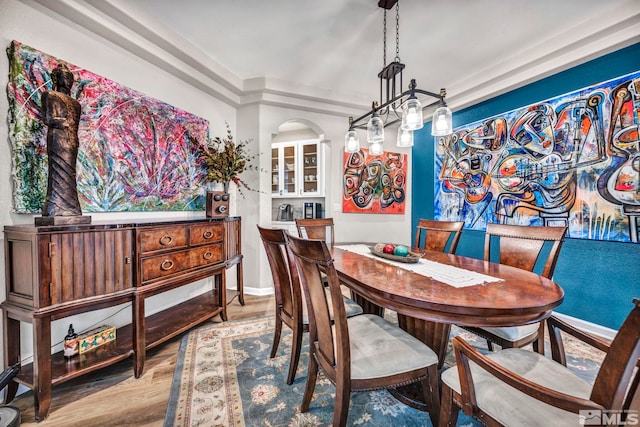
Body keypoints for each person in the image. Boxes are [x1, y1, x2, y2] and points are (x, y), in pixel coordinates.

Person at [40, 63, 84, 218]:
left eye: (69, 78)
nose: (68, 81)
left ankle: (71, 207)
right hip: (57, 139)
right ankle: (55, 207)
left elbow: (75, 126)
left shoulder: (76, 104)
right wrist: (63, 122)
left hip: (71, 142)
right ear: (56, 78)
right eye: (64, 77)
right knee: (58, 172)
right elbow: (48, 118)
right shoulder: (50, 95)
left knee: (70, 174)